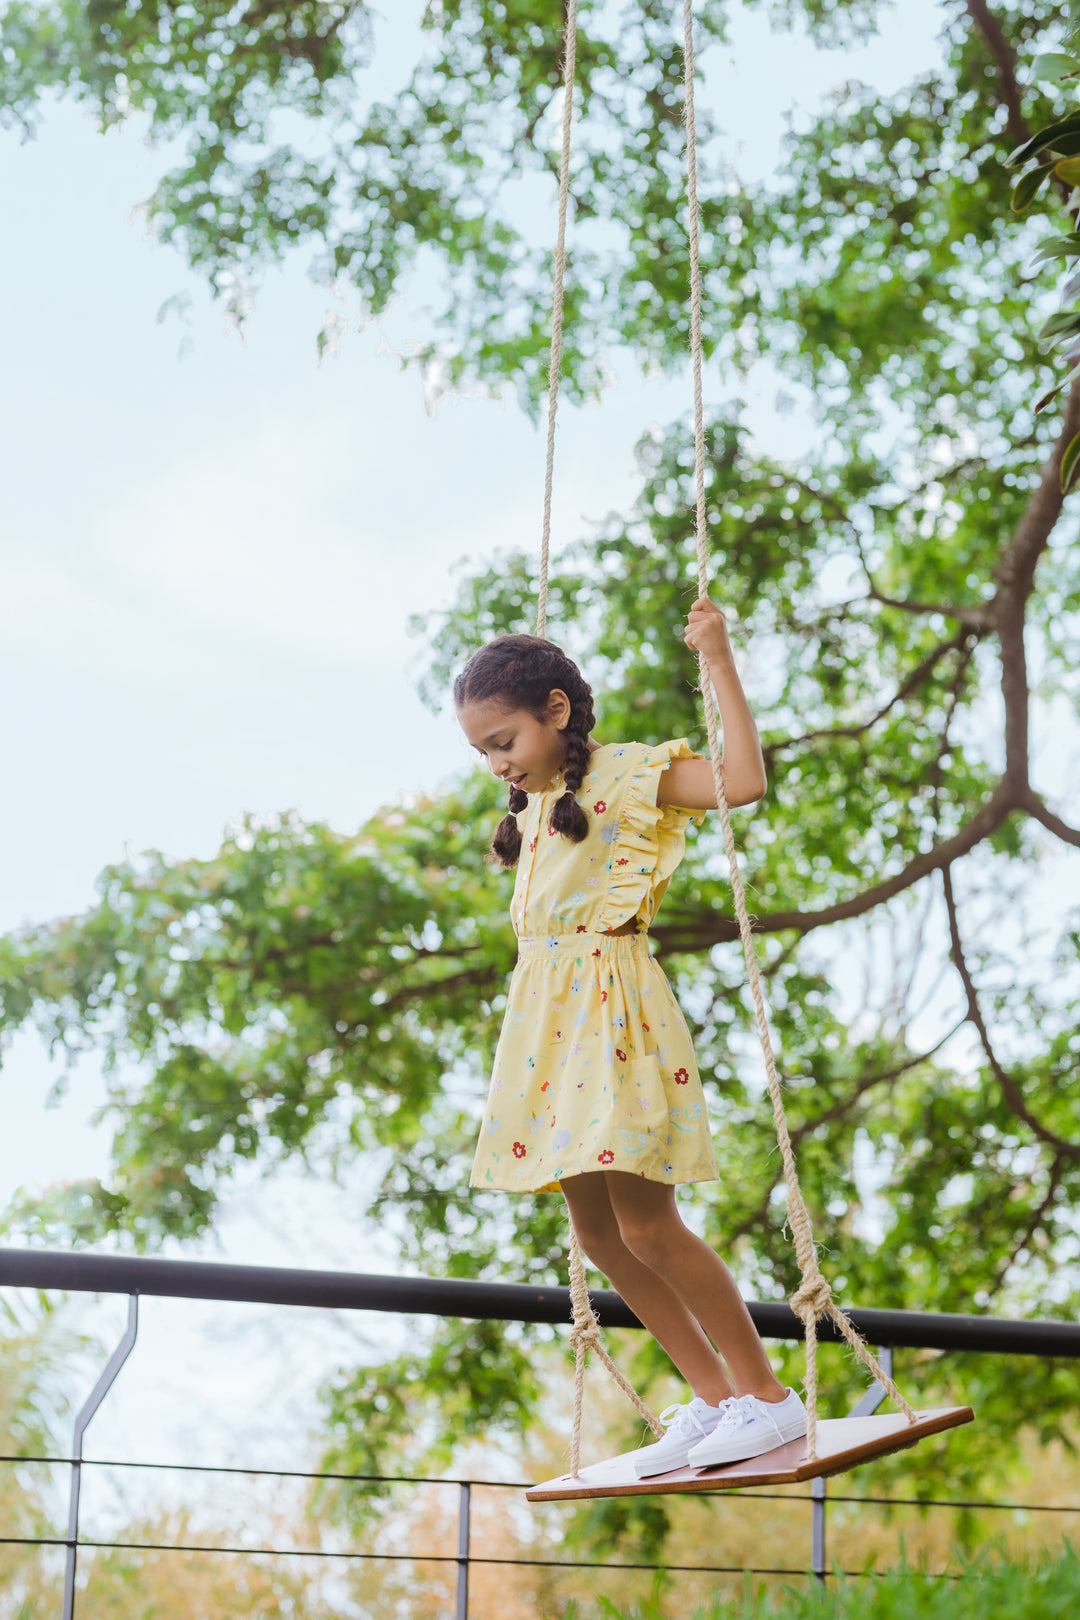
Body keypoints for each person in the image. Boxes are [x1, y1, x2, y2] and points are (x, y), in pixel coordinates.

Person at [453, 597, 807, 1477]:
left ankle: (767, 1397)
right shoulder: (534, 813)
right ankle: (716, 1400)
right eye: (483, 752)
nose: (497, 763)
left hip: (610, 1014)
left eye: (504, 742)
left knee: (648, 1228)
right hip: (548, 1030)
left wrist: (718, 657)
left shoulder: (626, 775)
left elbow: (741, 783)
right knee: (601, 1239)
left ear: (556, 713)